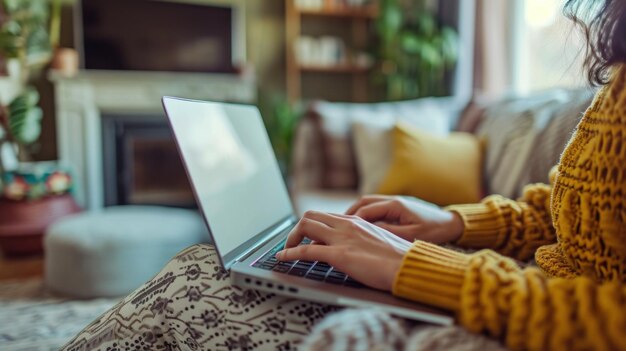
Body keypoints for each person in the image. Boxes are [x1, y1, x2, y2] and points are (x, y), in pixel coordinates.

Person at [62, 0, 626, 350]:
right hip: (503, 286)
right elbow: (557, 214)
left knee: (190, 290)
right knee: (201, 269)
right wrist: (450, 224)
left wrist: (422, 270)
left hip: (513, 316)